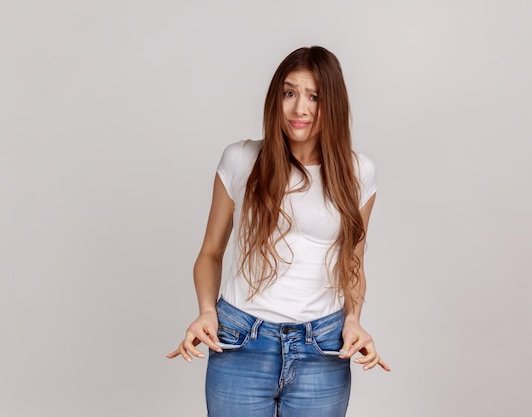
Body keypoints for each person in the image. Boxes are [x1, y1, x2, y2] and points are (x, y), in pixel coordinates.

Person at [167, 45, 390, 417]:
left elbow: (353, 261)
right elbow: (210, 252)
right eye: (289, 93)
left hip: (322, 348)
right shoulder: (240, 159)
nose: (299, 109)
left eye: (313, 96)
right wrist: (207, 312)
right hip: (240, 341)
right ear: (276, 99)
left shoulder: (358, 173)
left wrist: (353, 321)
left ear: (331, 104)